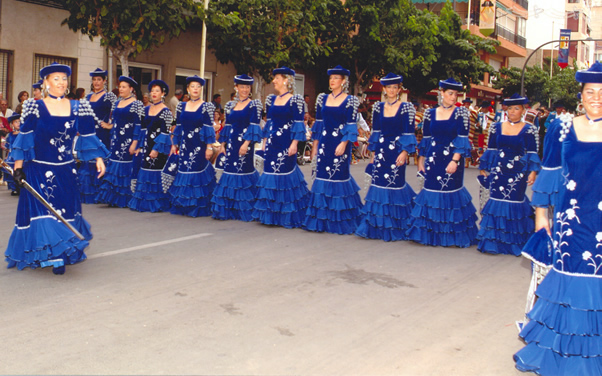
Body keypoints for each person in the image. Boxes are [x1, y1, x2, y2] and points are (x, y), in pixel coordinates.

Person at [513, 61, 602, 376]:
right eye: (591, 91)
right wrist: (541, 218)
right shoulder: (562, 126)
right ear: (581, 94)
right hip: (571, 222)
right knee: (569, 286)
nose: (597, 98)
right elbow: (549, 177)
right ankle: (563, 360)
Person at [4, 62, 108, 274]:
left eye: (64, 78)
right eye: (56, 78)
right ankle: (55, 257)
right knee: (45, 214)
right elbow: (25, 138)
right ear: (46, 82)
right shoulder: (35, 107)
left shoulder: (78, 106)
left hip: (66, 171)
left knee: (63, 212)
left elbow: (88, 134)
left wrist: (98, 158)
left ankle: (59, 253)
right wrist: (18, 168)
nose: (61, 83)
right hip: (38, 170)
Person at [406, 78, 478, 247]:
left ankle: (451, 234)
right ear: (442, 93)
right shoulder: (430, 113)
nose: (453, 97)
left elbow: (462, 140)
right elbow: (426, 138)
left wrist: (455, 160)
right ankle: (431, 233)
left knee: (450, 191)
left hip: (452, 160)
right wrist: (421, 159)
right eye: (450, 94)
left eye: (456, 94)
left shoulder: (462, 114)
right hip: (433, 159)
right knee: (431, 190)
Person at [476, 93, 540, 255]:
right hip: (498, 171)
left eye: (516, 108)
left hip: (518, 174)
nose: (512, 111)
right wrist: (484, 167)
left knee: (514, 201)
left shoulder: (529, 129)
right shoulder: (496, 127)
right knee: (496, 200)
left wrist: (533, 172)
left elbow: (532, 152)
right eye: (510, 108)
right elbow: (490, 149)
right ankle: (493, 241)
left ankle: (513, 242)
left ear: (523, 110)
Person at [355, 73, 417, 241]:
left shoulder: (406, 108)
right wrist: (373, 155)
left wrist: (404, 152)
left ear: (399, 89)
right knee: (379, 184)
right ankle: (376, 225)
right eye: (389, 87)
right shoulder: (377, 108)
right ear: (384, 89)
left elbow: (408, 132)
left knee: (395, 184)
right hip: (382, 151)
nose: (392, 90)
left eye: (395, 87)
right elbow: (375, 133)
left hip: (397, 152)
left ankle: (396, 225)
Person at [303, 65, 362, 234]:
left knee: (338, 176)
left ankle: (340, 218)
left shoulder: (350, 100)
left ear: (343, 82)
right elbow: (319, 125)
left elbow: (351, 126)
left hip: (340, 143)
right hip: (325, 142)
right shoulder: (323, 99)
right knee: (322, 176)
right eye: (331, 78)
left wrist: (343, 144)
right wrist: (315, 146)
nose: (332, 81)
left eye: (336, 78)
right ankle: (321, 218)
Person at [252, 67, 310, 228]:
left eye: (276, 78)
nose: (274, 81)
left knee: (285, 173)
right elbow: (269, 123)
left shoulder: (296, 100)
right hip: (272, 144)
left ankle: (287, 214)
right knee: (270, 173)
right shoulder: (271, 100)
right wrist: (264, 143)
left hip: (286, 144)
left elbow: (299, 125)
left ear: (285, 80)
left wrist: (294, 144)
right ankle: (271, 213)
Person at [211, 75, 262, 221]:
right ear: (236, 88)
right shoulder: (230, 106)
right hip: (232, 144)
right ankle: (229, 207)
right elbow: (227, 127)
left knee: (242, 171)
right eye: (242, 87)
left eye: (247, 87)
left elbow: (254, 127)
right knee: (230, 170)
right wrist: (222, 145)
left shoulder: (254, 105)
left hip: (245, 144)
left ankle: (243, 207)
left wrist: (246, 144)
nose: (244, 90)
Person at [169, 75, 217, 217]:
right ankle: (183, 204)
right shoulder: (181, 106)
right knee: (184, 170)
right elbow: (178, 127)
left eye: (198, 87)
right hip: (185, 145)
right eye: (193, 87)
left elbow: (208, 128)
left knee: (196, 171)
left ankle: (198, 206)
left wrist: (209, 147)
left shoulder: (206, 106)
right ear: (188, 89)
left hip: (199, 145)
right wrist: (174, 144)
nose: (195, 89)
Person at [96, 76, 143, 207]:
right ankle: (113, 197)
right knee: (114, 163)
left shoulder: (136, 104)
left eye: (123, 87)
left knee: (125, 166)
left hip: (128, 140)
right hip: (116, 139)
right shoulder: (117, 102)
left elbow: (138, 125)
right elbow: (115, 122)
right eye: (120, 87)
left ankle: (124, 197)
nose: (121, 89)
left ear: (131, 89)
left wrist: (135, 143)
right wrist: (109, 127)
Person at [128, 80, 173, 212]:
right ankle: (143, 201)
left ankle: (156, 203)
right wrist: (139, 146)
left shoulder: (166, 111)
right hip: (146, 145)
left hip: (158, 147)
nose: (153, 93)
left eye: (157, 91)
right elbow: (142, 130)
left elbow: (165, 133)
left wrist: (156, 149)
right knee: (144, 169)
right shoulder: (145, 109)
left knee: (154, 170)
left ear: (163, 93)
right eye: (152, 91)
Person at [78, 68, 117, 204]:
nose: (96, 82)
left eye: (99, 80)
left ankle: (102, 193)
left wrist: (110, 125)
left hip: (102, 133)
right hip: (89, 133)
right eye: (94, 80)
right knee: (88, 161)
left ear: (104, 81)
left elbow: (117, 113)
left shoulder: (109, 96)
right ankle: (89, 193)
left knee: (101, 160)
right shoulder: (88, 97)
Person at [2, 113, 21, 195]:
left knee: (20, 170)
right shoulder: (10, 135)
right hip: (11, 156)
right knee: (10, 172)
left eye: (19, 121)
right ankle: (13, 188)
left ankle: (20, 186)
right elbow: (7, 146)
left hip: (20, 155)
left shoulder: (23, 134)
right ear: (12, 124)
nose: (18, 123)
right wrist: (6, 156)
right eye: (16, 122)